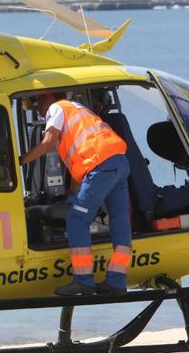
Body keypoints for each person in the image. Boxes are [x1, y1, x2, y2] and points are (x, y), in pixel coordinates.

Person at [19, 92, 132, 297]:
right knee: (120, 223)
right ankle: (117, 281)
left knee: (77, 220)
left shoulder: (57, 108)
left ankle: (83, 281)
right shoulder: (79, 111)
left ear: (50, 97)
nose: (36, 106)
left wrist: (19, 162)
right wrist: (71, 195)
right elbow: (80, 169)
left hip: (101, 166)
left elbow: (47, 143)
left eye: (37, 100)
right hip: (118, 161)